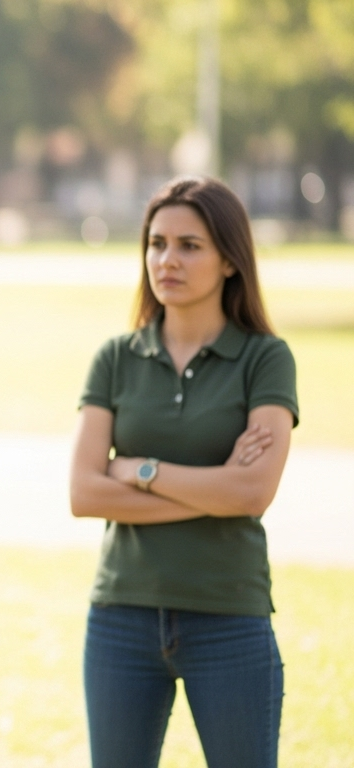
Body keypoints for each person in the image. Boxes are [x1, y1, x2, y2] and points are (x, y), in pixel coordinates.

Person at [69, 176, 296, 768]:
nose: (167, 259)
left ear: (229, 260)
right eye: (157, 243)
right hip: (121, 616)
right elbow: (84, 491)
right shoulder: (116, 358)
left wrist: (138, 469)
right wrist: (215, 489)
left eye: (190, 245)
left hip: (229, 615)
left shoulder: (265, 359)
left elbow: (254, 490)